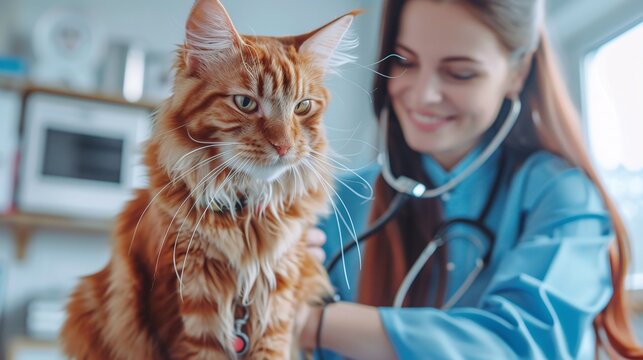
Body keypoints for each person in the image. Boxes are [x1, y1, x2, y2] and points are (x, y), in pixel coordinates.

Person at [298, 0, 643, 359]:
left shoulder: (562, 198)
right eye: (405, 62)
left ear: (518, 73)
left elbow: (524, 348)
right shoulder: (341, 200)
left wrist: (316, 323)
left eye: (460, 73)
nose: (422, 95)